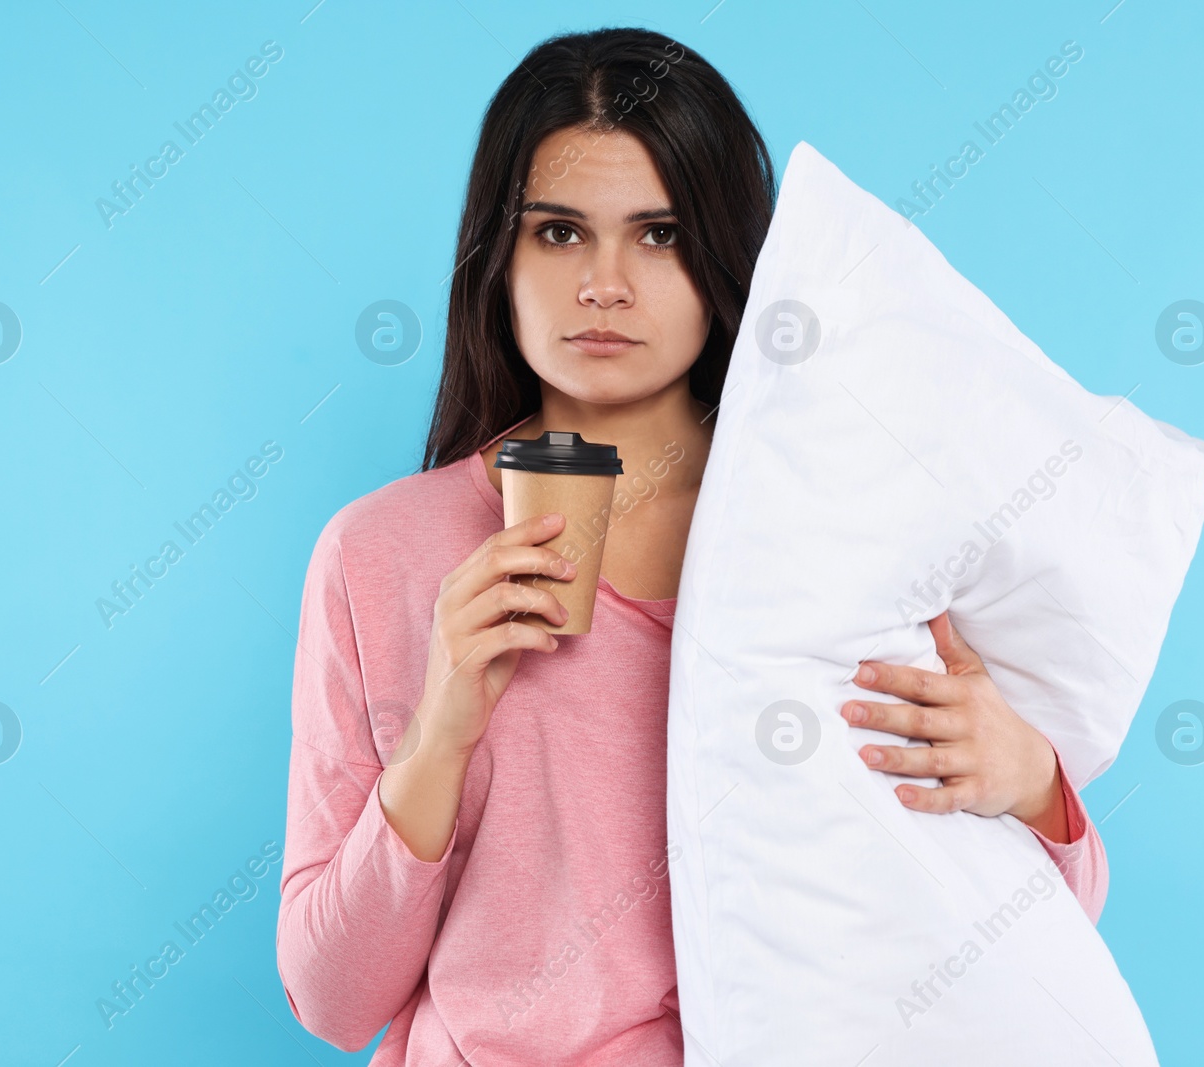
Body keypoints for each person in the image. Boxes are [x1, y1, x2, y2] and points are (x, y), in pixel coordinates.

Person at [276, 26, 1108, 1065]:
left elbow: (1028, 936)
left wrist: (1030, 780)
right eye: (559, 233)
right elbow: (330, 997)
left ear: (720, 259)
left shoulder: (839, 533)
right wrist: (440, 730)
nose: (605, 284)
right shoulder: (379, 554)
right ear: (498, 256)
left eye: (659, 234)